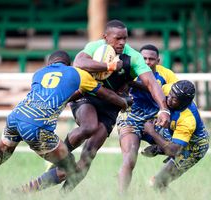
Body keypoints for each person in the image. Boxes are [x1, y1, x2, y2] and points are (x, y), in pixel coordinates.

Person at [0, 50, 131, 193]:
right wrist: (123, 103)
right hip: (37, 126)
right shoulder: (77, 73)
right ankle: (21, 193)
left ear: (50, 63)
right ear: (69, 63)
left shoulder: (39, 73)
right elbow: (106, 94)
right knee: (69, 168)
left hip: (16, 117)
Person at [60, 19, 172, 192]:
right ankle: (59, 154)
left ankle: (63, 194)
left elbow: (152, 83)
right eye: (118, 38)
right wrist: (109, 66)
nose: (122, 42)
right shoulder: (94, 46)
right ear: (105, 37)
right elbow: (79, 63)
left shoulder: (133, 57)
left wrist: (163, 108)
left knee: (89, 153)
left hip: (111, 106)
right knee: (88, 127)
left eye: (125, 38)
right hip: (87, 97)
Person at [117, 44, 178, 194]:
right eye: (144, 58)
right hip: (131, 117)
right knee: (130, 157)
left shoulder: (167, 74)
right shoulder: (130, 71)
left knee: (178, 151)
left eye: (151, 59)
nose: (148, 61)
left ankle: (160, 182)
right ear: (139, 58)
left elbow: (176, 96)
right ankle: (120, 195)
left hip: (156, 117)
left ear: (158, 60)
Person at [142, 80, 210, 192]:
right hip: (174, 133)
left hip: (193, 148)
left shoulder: (188, 119)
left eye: (174, 99)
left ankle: (160, 149)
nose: (169, 99)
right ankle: (159, 148)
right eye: (170, 95)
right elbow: (152, 87)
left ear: (185, 102)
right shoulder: (171, 90)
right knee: (141, 125)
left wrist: (152, 132)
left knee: (159, 184)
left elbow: (174, 151)